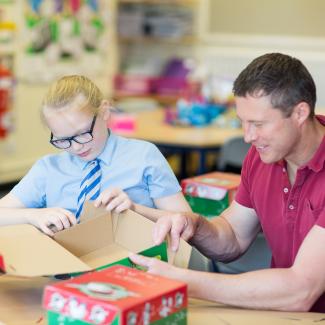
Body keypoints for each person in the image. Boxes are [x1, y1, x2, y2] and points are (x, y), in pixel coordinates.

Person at [130, 53, 325, 312]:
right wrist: (195, 225)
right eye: (243, 123)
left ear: (300, 112)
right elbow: (232, 237)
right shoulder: (262, 156)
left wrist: (183, 281)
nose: (247, 137)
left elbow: (301, 291)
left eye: (257, 124)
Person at [0, 75, 191, 236]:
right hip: (69, 268)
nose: (75, 147)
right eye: (62, 140)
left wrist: (135, 209)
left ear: (104, 112)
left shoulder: (144, 156)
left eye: (83, 133)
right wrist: (32, 215)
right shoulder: (49, 168)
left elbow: (186, 221)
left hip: (134, 264)